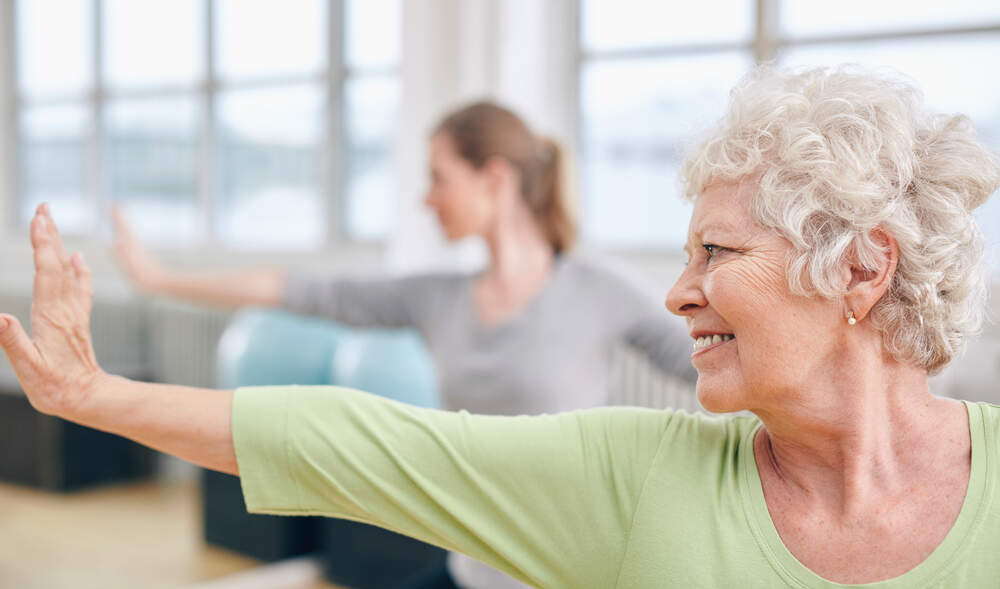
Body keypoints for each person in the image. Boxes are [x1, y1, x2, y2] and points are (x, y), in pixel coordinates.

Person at [3, 64, 1000, 587]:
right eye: (685, 255)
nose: (678, 290)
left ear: (864, 268)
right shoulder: (640, 475)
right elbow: (358, 432)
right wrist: (96, 390)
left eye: (717, 255)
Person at [110, 101, 696, 587]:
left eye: (438, 178)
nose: (425, 198)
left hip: (569, 570)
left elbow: (706, 362)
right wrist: (161, 280)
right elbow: (301, 290)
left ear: (494, 177)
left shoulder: (601, 289)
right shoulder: (437, 298)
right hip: (474, 567)